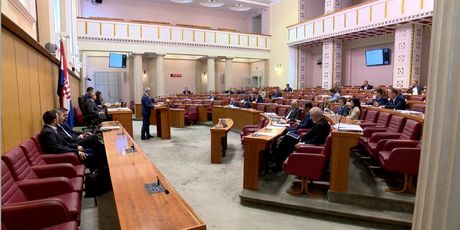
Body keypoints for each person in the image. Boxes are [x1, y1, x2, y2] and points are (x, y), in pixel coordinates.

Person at [270, 107, 331, 172]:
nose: (310, 117)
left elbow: (317, 140)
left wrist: (303, 143)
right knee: (287, 137)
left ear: (315, 115)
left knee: (287, 140)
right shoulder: (321, 122)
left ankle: (276, 161)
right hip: (304, 140)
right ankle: (276, 159)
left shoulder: (320, 125)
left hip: (306, 143)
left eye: (311, 116)